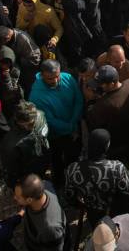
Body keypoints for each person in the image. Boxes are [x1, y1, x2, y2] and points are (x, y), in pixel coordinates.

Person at [28, 59, 83, 187]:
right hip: (55, 135)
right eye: (50, 78)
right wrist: (71, 127)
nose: (55, 80)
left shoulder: (68, 78)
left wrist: (74, 122)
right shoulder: (36, 95)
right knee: (56, 159)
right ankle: (59, 183)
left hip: (73, 127)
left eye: (57, 76)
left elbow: (78, 100)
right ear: (42, 75)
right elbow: (49, 120)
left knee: (74, 155)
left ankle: (74, 179)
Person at [64, 128, 129, 223]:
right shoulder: (117, 167)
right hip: (115, 213)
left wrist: (82, 204)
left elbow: (69, 195)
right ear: (106, 146)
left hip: (93, 213)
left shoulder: (72, 169)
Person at [14, 174, 66, 251]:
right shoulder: (44, 186)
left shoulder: (49, 229)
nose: (14, 198)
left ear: (29, 200)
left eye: (18, 197)